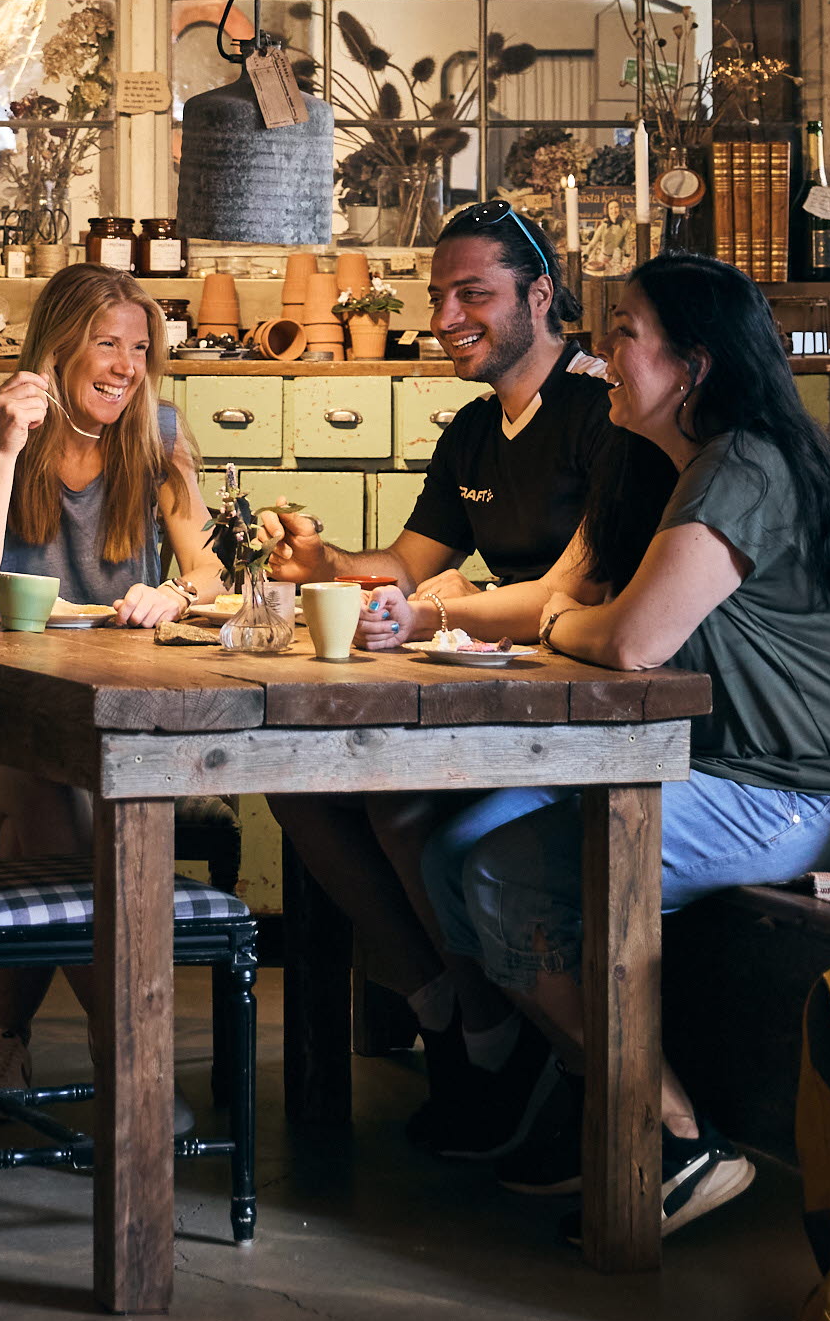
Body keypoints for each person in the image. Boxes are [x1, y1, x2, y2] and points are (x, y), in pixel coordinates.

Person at [406, 251, 830, 1235]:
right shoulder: (661, 467)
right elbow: (575, 600)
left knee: (506, 869)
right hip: (716, 775)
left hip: (810, 794)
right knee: (455, 847)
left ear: (695, 364)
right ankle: (603, 1099)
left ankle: (670, 1132)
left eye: (623, 332)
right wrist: (452, 615)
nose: (599, 350)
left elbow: (629, 641)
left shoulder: (745, 464)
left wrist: (554, 628)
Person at [259, 201, 674, 1155]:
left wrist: (436, 611)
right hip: (497, 698)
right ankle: (446, 1002)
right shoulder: (476, 430)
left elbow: (573, 589)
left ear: (540, 294)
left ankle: (496, 1043)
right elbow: (404, 563)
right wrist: (325, 565)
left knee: (403, 811)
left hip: (582, 713)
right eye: (438, 295)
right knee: (304, 795)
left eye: (471, 294)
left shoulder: (602, 409)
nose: (443, 317)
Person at [0, 263, 226, 1101]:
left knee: (44, 818)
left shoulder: (156, 437)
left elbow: (207, 568)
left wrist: (170, 589)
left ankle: (4, 1042)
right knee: (37, 789)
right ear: (58, 349)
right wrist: (9, 446)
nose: (126, 366)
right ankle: (130, 1052)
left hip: (110, 732)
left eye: (139, 348)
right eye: (107, 344)